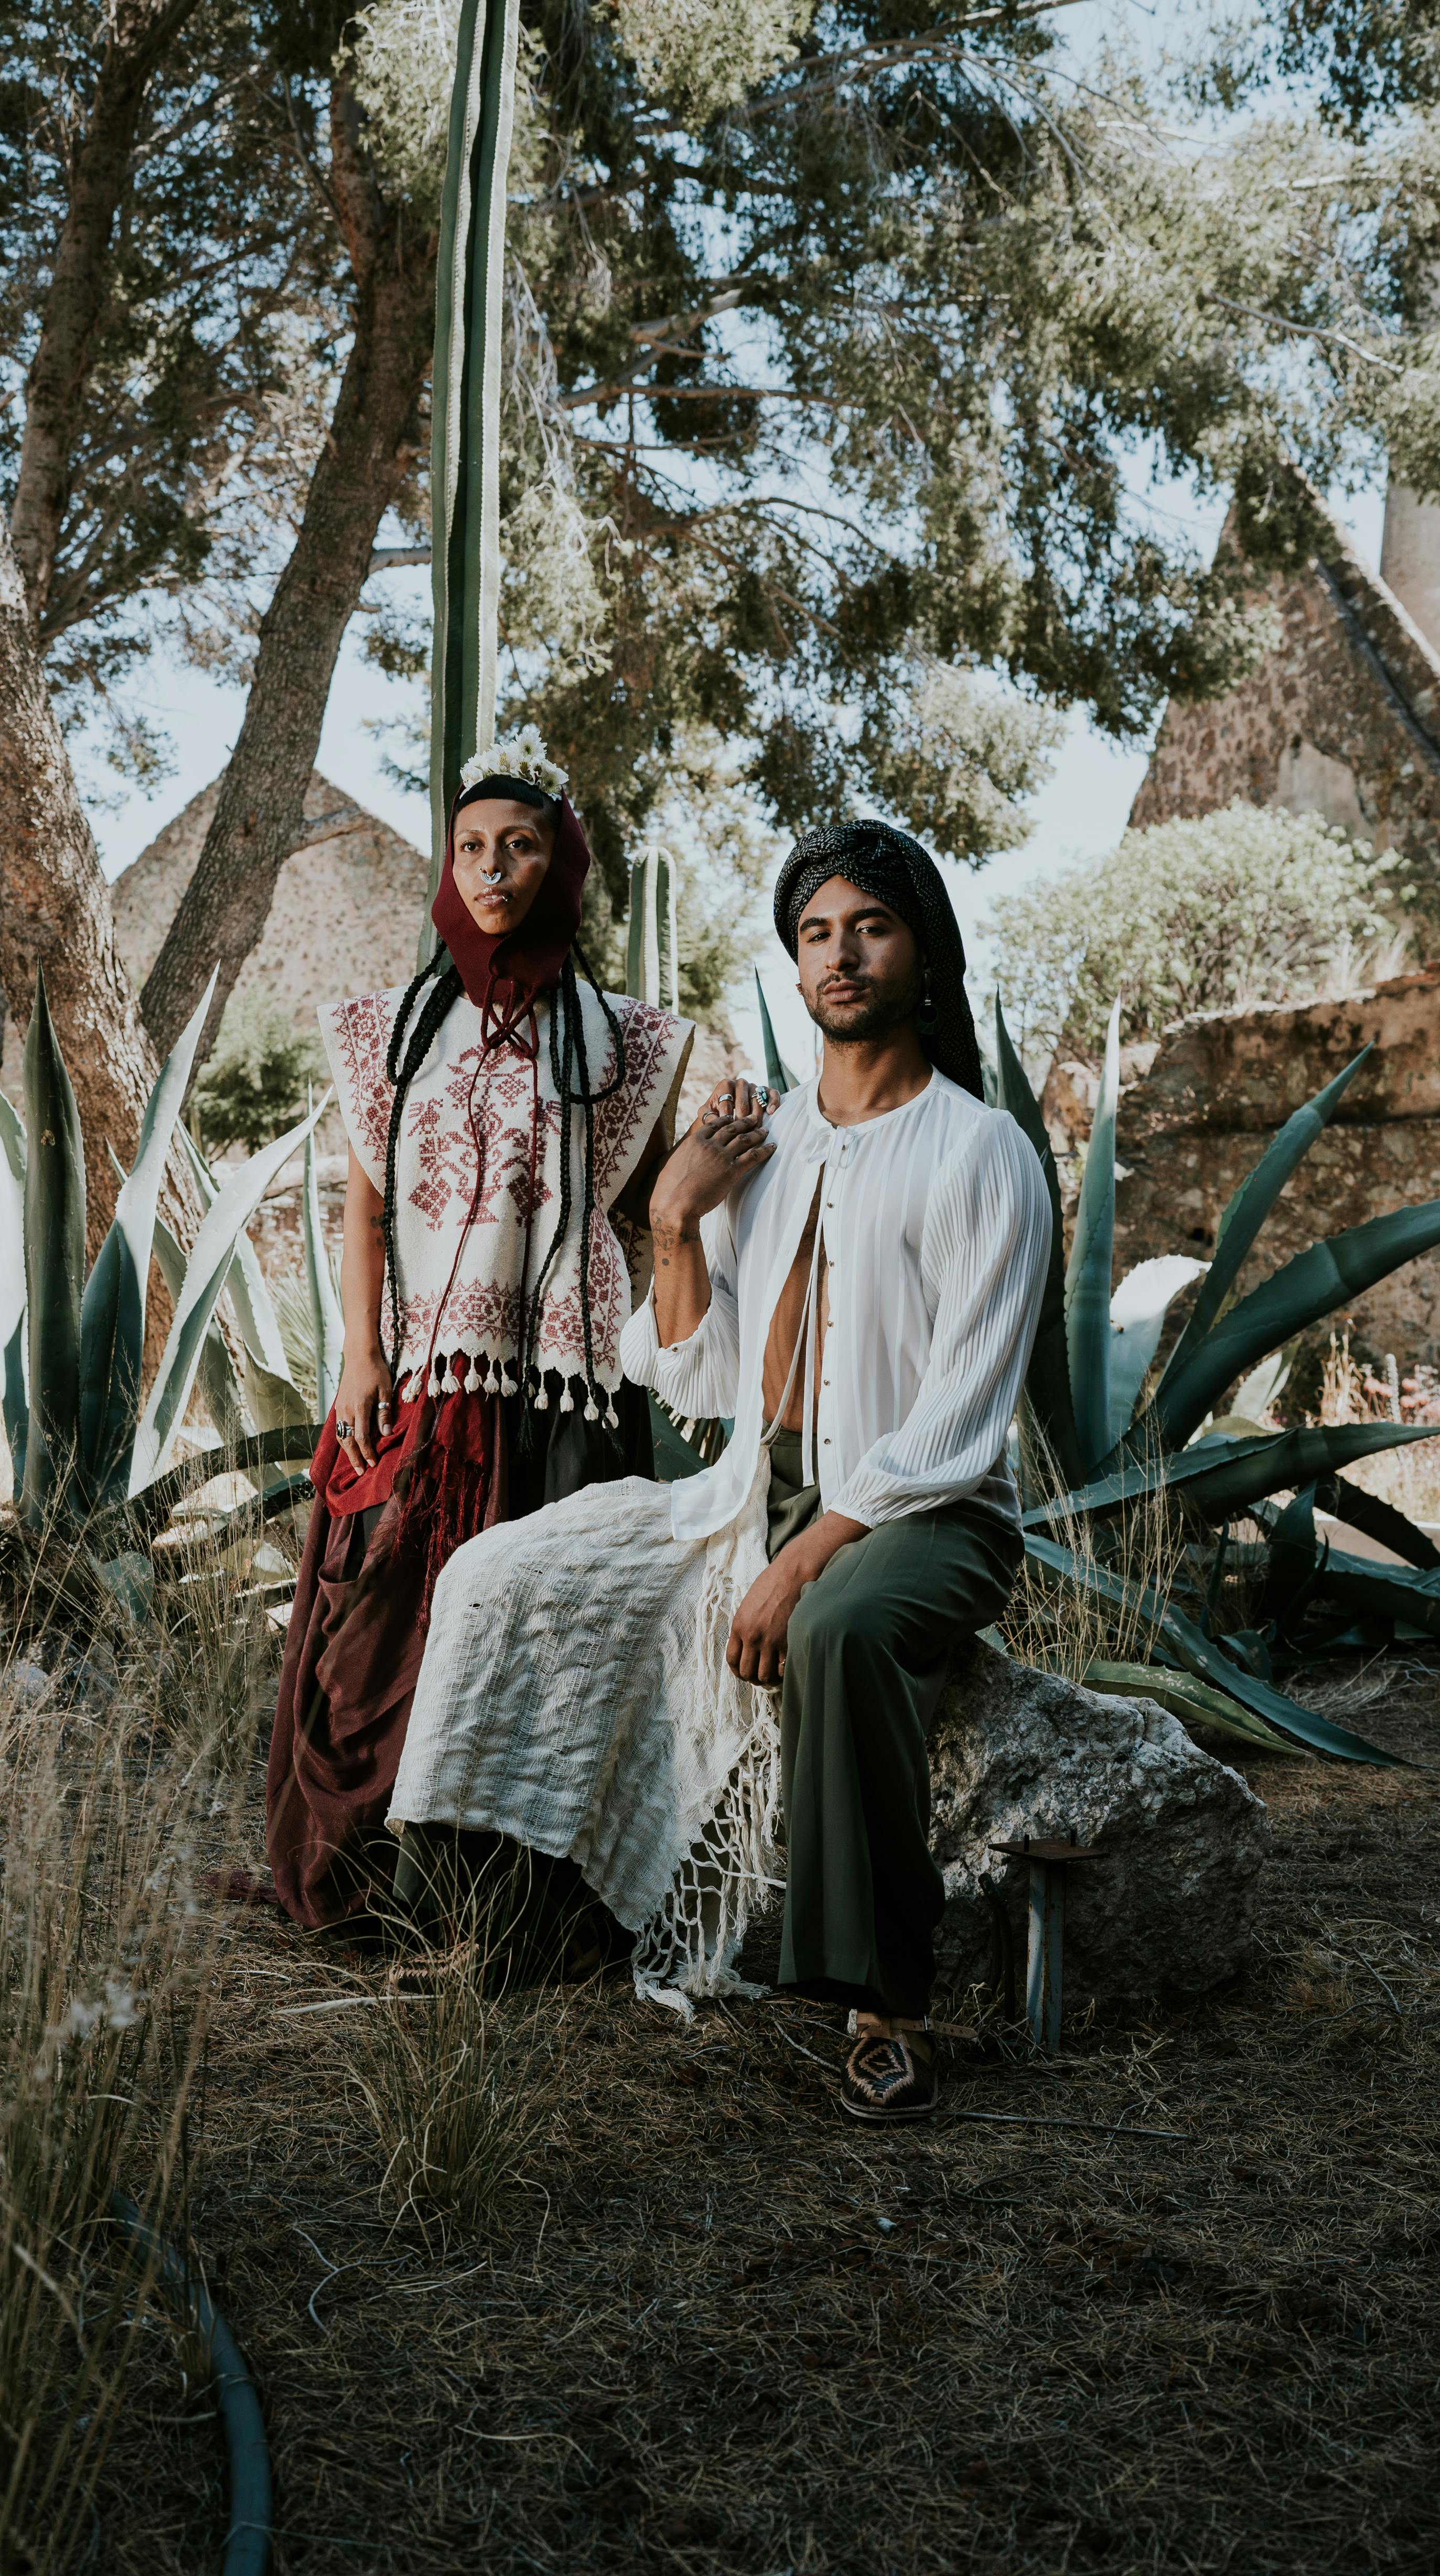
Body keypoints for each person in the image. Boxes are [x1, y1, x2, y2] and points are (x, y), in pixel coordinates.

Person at [390, 819, 1051, 2119]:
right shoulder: (765, 1147)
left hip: (928, 1514)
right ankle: (481, 1922)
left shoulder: (981, 1153)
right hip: (751, 1485)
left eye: (868, 926)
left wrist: (804, 1561)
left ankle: (884, 2007)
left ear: (922, 950)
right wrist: (670, 1217)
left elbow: (958, 1424)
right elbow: (696, 1385)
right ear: (793, 963)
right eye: (813, 933)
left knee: (841, 1631)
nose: (838, 955)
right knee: (498, 1573)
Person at [234, 731, 693, 1931]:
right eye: (473, 847)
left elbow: (650, 1210)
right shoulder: (388, 1032)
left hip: (561, 1389)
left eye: (522, 846)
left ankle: (518, 1904)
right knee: (381, 1628)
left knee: (546, 1634)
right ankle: (391, 1887)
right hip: (421, 1376)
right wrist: (356, 1352)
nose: (494, 868)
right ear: (448, 866)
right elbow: (366, 1203)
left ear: (562, 866)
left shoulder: (626, 1043)